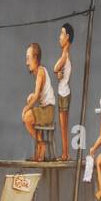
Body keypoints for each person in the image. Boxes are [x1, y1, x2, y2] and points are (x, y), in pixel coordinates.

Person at [21, 43, 56, 162]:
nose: (27, 63)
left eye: (28, 58)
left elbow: (36, 96)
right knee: (28, 118)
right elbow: (39, 93)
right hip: (46, 109)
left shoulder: (40, 72)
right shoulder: (40, 73)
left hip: (47, 111)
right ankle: (40, 146)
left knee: (27, 117)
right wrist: (32, 96)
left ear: (35, 58)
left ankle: (41, 145)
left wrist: (26, 108)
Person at [55, 24, 74, 163]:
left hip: (63, 94)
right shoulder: (65, 54)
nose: (59, 37)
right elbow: (58, 71)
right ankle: (65, 153)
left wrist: (58, 72)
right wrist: (59, 74)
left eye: (62, 33)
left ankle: (65, 154)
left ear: (67, 37)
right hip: (64, 93)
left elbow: (56, 67)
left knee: (63, 127)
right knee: (63, 126)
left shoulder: (65, 54)